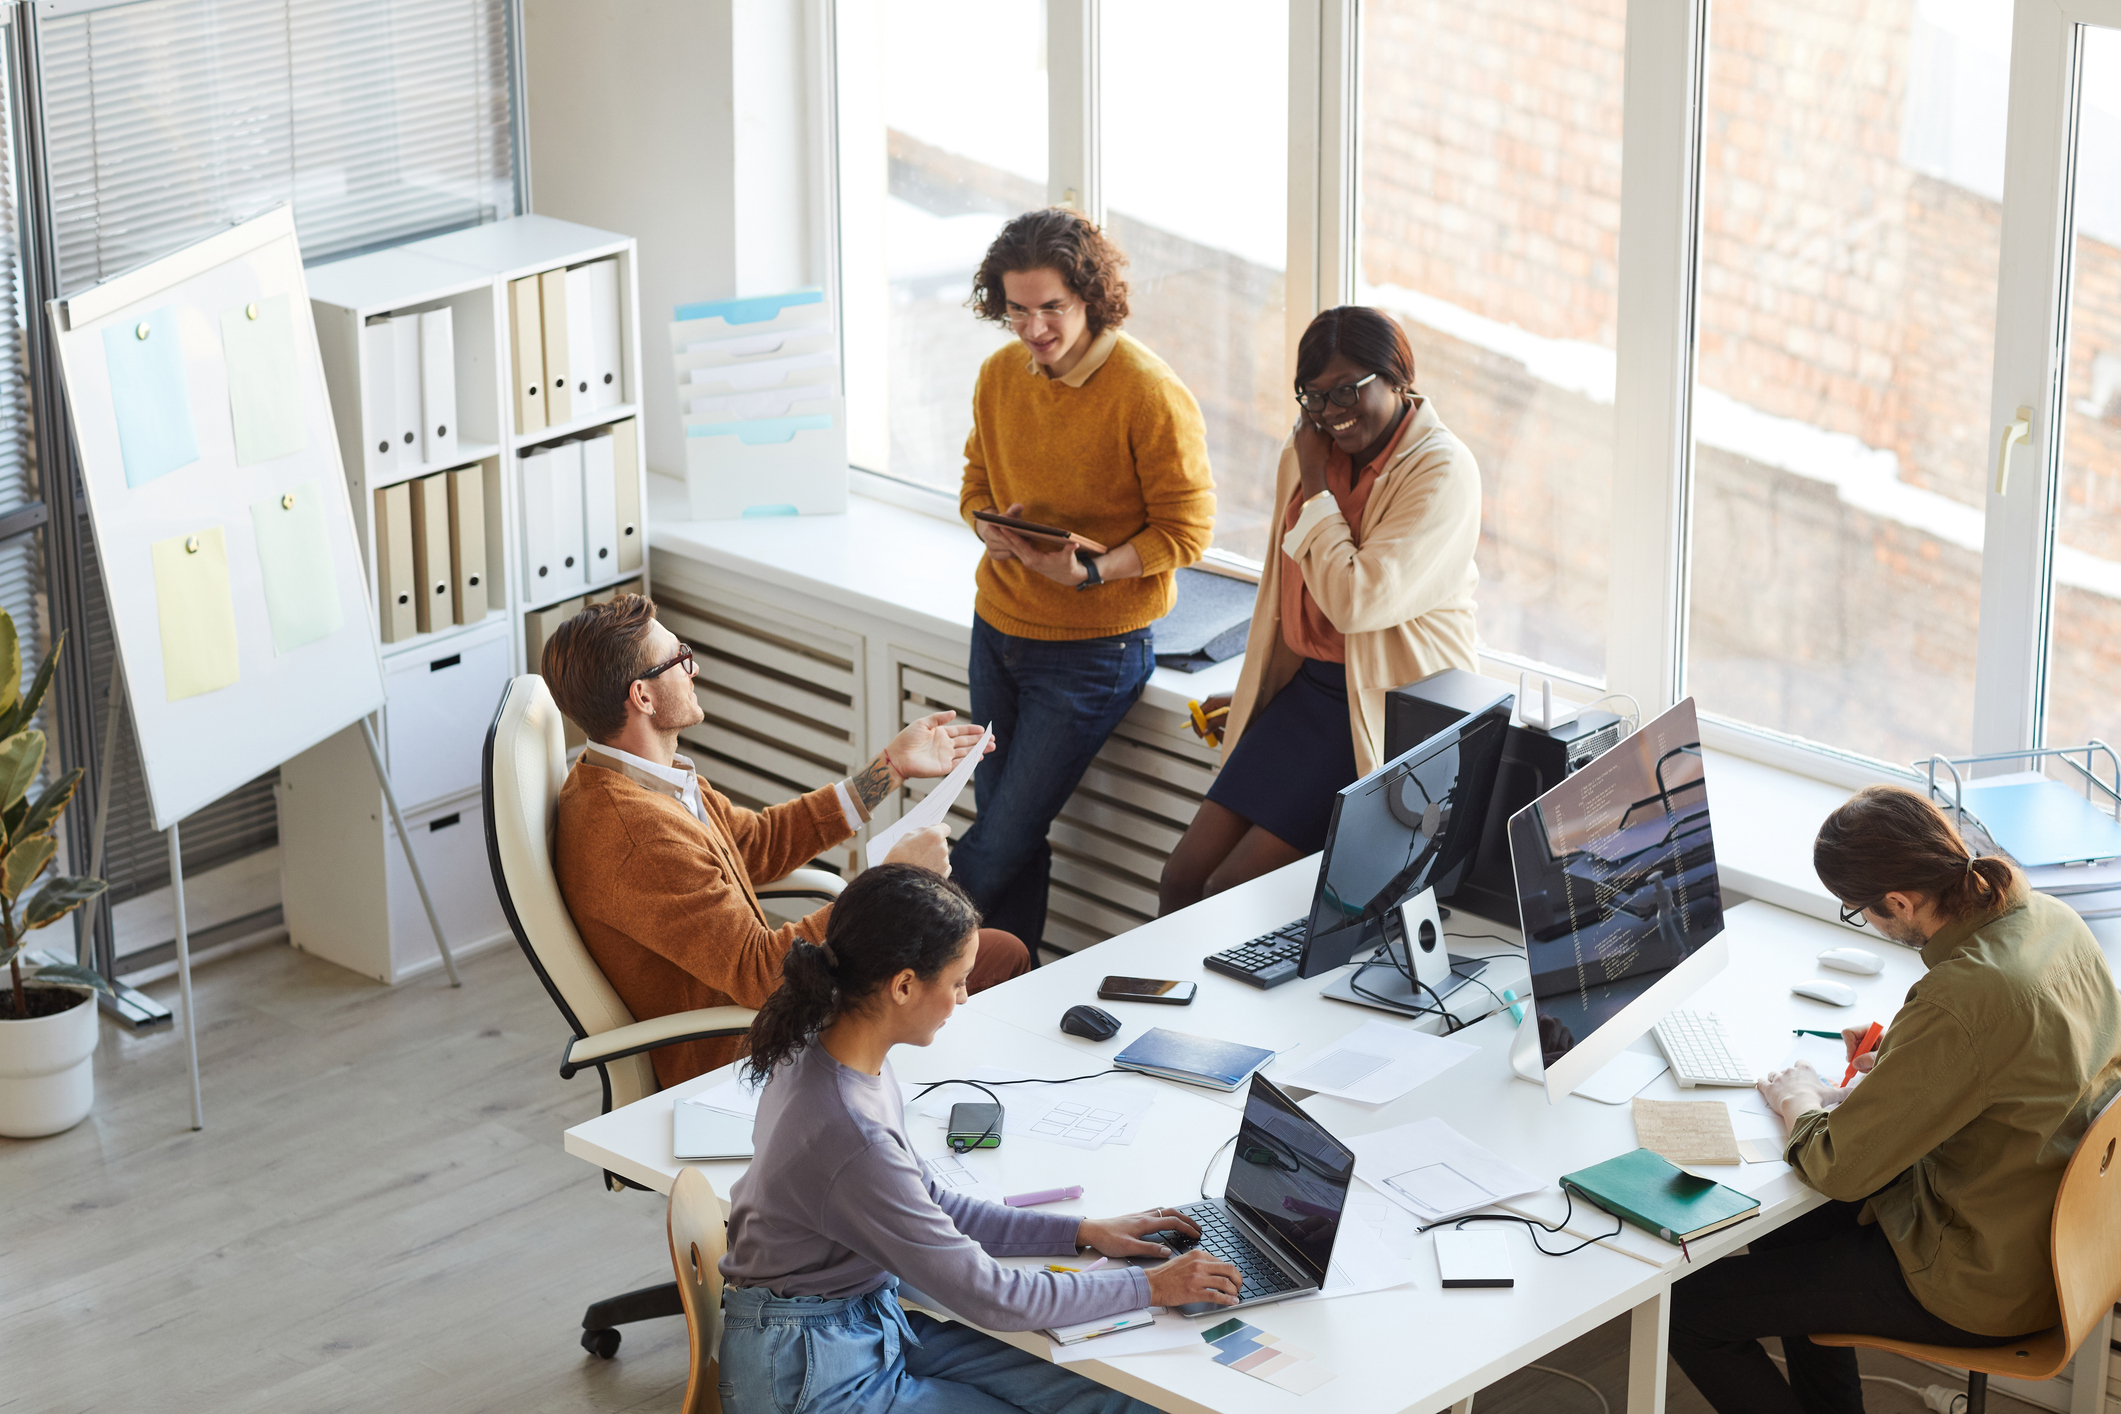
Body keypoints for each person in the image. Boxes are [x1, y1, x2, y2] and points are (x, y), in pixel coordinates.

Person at [716, 863, 1243, 1413]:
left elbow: (930, 1202)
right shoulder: (852, 1132)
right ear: (902, 986)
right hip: (810, 1377)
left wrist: (1082, 1231)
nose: (964, 998)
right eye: (958, 981)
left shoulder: (840, 1047)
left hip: (859, 1324)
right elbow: (991, 1296)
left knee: (1114, 1398)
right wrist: (1153, 1288)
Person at [1669, 785, 2121, 1414]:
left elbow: (1837, 1169)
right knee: (1784, 1237)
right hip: (2058, 1245)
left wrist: (1800, 1099)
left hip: (1980, 1280)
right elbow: (2026, 1068)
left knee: (1687, 1311)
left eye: (1861, 912)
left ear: (1901, 901)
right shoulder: (2051, 922)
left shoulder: (1964, 998)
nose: (1867, 924)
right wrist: (1908, 1065)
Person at [543, 594, 1030, 1088]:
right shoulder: (637, 838)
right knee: (996, 958)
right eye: (679, 659)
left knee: (992, 955)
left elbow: (756, 844)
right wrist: (891, 883)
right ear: (643, 697)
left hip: (768, 1003)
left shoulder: (647, 778)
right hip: (746, 1046)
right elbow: (760, 971)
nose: (695, 668)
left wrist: (891, 768)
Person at [955, 207, 1216, 953]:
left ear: (1090, 298)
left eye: (1052, 310)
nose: (1034, 330)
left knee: (994, 844)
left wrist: (1091, 571)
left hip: (1091, 650)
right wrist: (987, 526)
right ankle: (995, 991)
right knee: (1014, 838)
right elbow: (974, 480)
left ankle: (871, 959)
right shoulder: (999, 374)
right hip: (997, 626)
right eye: (1017, 311)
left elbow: (1186, 532)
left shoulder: (1145, 391)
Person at [1160, 306, 1480, 913]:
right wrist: (1258, 685)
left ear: (1397, 377)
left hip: (1385, 708)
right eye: (1314, 398)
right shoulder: (1309, 447)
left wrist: (1314, 477)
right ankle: (1163, 1009)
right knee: (1181, 879)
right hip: (1311, 694)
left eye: (1346, 391)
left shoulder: (1441, 469)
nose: (1332, 413)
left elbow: (1359, 601)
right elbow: (1287, 592)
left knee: (1230, 897)